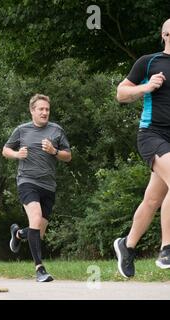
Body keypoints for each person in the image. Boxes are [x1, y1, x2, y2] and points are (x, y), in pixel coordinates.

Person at [113, 19, 170, 278]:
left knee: (153, 199)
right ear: (165, 34)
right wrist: (146, 87)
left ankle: (127, 245)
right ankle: (167, 248)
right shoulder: (149, 62)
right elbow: (121, 93)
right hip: (152, 134)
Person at [3, 94, 71, 282]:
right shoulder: (22, 130)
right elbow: (5, 150)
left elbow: (68, 156)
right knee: (35, 217)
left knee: (38, 230)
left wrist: (54, 151)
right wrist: (17, 154)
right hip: (27, 181)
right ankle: (39, 269)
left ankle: (18, 234)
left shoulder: (57, 130)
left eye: (47, 109)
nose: (44, 112)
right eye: (41, 109)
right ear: (32, 111)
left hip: (48, 185)